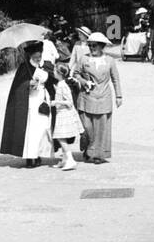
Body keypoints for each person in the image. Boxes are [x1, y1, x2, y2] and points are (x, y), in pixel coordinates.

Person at [72, 32, 122, 164]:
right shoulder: (83, 59)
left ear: (101, 46)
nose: (91, 48)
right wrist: (84, 82)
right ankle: (89, 149)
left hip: (104, 97)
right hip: (86, 98)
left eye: (94, 45)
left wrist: (119, 96)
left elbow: (115, 79)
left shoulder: (110, 61)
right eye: (89, 45)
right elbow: (76, 73)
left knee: (101, 128)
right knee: (88, 127)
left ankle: (97, 154)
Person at [0, 40, 52, 168]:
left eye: (39, 56)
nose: (38, 59)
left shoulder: (47, 65)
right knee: (31, 130)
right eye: (35, 57)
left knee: (42, 129)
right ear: (30, 56)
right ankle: (30, 157)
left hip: (44, 100)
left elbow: (55, 79)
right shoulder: (24, 67)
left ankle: (39, 154)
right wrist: (28, 84)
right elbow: (18, 86)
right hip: (30, 102)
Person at [49, 65, 82, 171]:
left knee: (60, 138)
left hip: (65, 114)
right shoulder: (60, 84)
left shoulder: (62, 85)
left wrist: (56, 102)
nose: (53, 73)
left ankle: (70, 160)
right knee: (61, 136)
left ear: (60, 74)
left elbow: (69, 102)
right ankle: (64, 160)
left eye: (55, 71)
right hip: (61, 113)